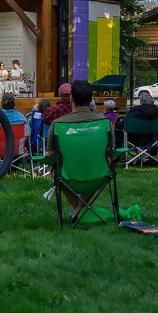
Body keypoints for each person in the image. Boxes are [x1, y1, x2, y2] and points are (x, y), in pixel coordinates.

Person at [48, 79, 116, 223]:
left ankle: (78, 211)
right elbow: (110, 153)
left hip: (67, 178)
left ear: (71, 98)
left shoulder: (58, 124)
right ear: (91, 99)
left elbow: (51, 155)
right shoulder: (105, 124)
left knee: (59, 169)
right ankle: (80, 210)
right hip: (99, 176)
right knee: (98, 164)